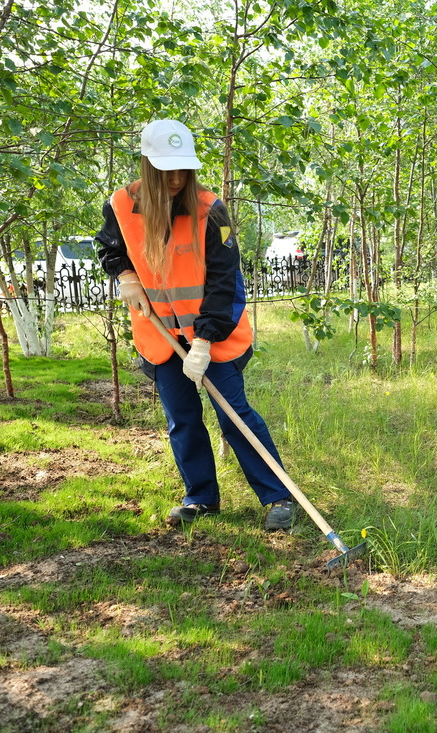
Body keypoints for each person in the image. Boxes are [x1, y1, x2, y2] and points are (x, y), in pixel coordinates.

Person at [96, 119, 296, 530]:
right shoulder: (120, 204)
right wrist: (125, 276)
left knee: (234, 415)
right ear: (147, 165)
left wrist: (203, 342)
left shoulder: (210, 210)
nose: (175, 178)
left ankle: (278, 497)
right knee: (182, 418)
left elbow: (225, 282)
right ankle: (201, 498)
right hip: (159, 335)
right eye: (165, 169)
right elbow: (110, 247)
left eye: (182, 169)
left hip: (214, 336)